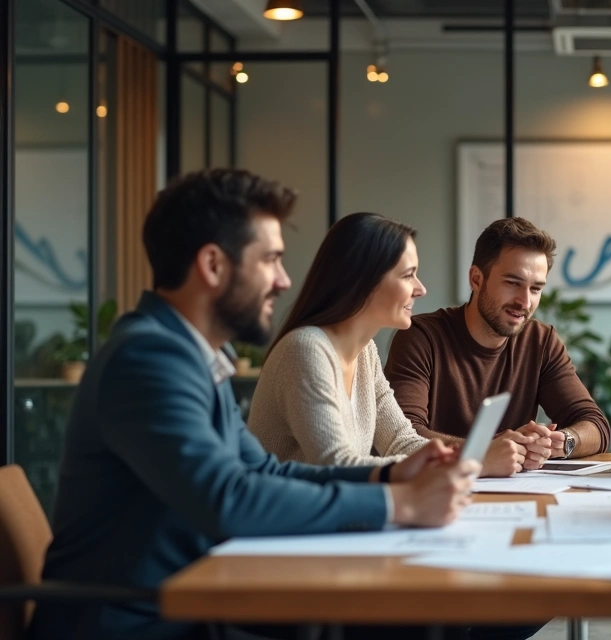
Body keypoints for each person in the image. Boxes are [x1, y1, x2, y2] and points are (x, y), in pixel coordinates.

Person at [30, 170, 478, 640]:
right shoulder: (148, 358)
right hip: (137, 621)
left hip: (190, 600)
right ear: (213, 265)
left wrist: (388, 475)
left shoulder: (193, 355)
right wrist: (399, 503)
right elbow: (229, 499)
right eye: (270, 260)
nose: (284, 280)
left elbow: (264, 471)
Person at [386, 217, 611, 478]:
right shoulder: (421, 337)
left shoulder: (541, 341)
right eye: (513, 283)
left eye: (535, 289)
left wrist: (559, 442)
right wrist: (486, 450)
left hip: (515, 495)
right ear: (476, 279)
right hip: (436, 489)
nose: (524, 302)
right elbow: (405, 434)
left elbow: (596, 425)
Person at [248, 212, 431, 467]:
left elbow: (401, 441)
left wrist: (468, 458)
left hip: (333, 504)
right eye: (407, 275)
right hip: (291, 506)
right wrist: (441, 464)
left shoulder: (365, 351)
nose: (420, 288)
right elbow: (336, 464)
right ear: (364, 280)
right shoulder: (305, 349)